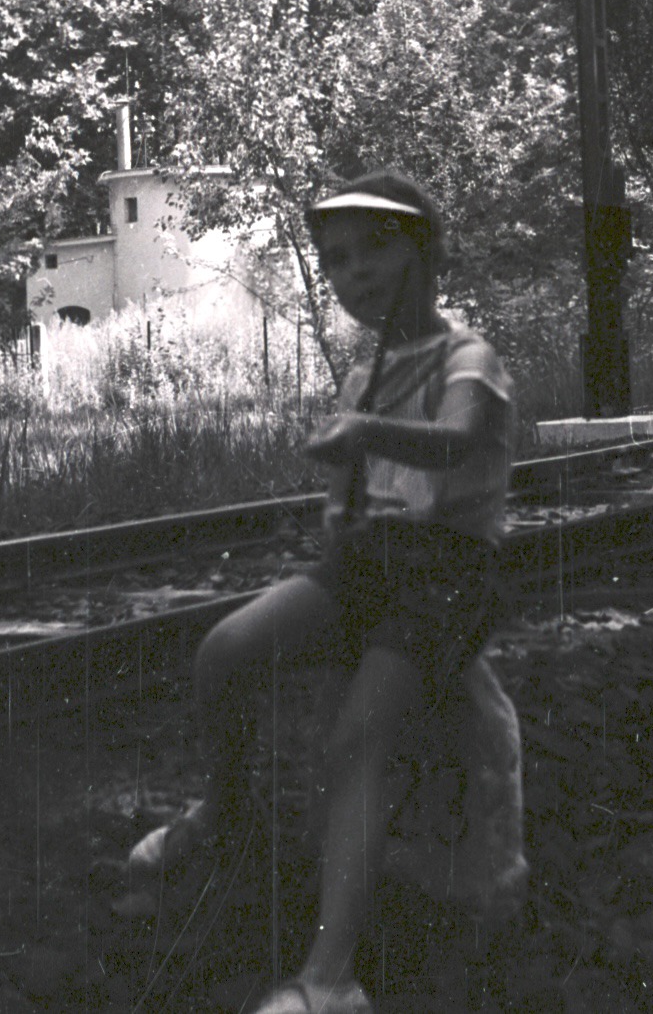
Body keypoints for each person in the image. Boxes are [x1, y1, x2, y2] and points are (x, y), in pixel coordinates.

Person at [125, 170, 516, 1014]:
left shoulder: (467, 359)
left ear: (428, 252)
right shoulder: (361, 381)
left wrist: (367, 432)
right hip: (373, 564)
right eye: (337, 261)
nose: (355, 275)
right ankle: (225, 815)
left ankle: (331, 981)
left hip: (447, 575)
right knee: (224, 652)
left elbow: (453, 443)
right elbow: (359, 500)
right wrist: (336, 524)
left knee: (355, 744)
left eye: (377, 249)